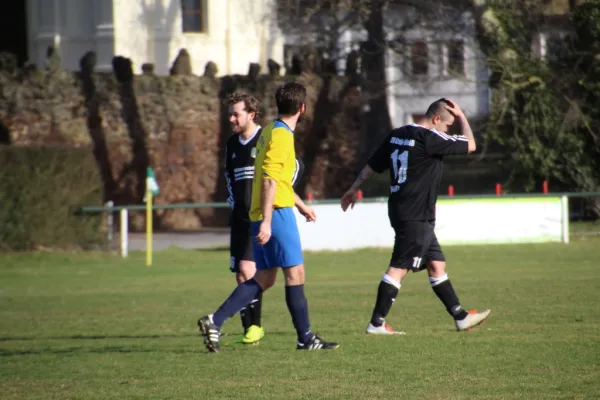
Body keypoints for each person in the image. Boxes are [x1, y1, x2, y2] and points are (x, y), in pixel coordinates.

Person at [199, 82, 339, 352]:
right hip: (275, 213)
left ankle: (214, 321)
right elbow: (268, 181)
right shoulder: (282, 135)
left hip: (269, 210)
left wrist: (300, 205)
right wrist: (267, 221)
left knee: (264, 277)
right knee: (295, 273)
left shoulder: (270, 131)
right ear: (303, 108)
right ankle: (305, 338)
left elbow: (278, 179)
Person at [340, 98, 491, 335]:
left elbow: (372, 165)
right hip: (416, 213)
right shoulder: (430, 138)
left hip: (402, 209)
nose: (448, 131)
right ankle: (376, 323)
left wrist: (353, 188)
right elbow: (471, 144)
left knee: (436, 264)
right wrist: (461, 116)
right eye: (448, 126)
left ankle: (460, 317)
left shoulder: (397, 135)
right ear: (436, 119)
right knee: (399, 267)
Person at [223, 93, 306, 345]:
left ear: (252, 114)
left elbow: (287, 174)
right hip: (241, 217)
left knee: (256, 272)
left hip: (263, 215)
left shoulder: (267, 137)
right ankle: (252, 327)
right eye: (231, 113)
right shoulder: (232, 145)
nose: (231, 118)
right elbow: (228, 176)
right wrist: (233, 201)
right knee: (243, 273)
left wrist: (295, 203)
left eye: (236, 113)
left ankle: (250, 328)